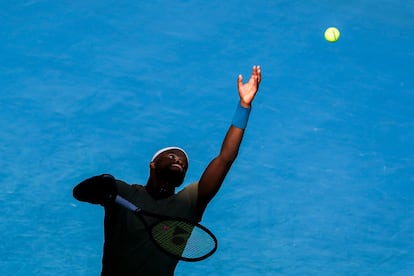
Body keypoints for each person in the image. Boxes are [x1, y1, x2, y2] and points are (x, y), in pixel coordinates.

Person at [73, 65, 262, 275]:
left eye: (184, 163)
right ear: (152, 164)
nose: (180, 161)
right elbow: (79, 193)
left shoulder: (188, 203)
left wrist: (244, 106)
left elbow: (225, 159)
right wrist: (102, 183)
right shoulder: (123, 192)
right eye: (172, 156)